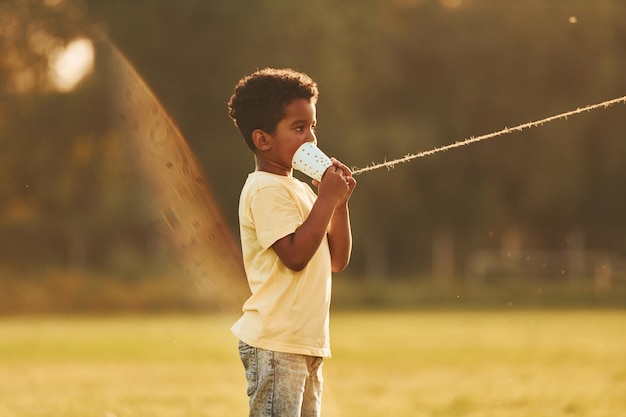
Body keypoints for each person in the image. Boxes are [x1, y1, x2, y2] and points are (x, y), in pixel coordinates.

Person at [227, 67, 356, 417]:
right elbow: (295, 256)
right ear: (263, 140)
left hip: (305, 343)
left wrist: (339, 205)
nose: (311, 139)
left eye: (313, 127)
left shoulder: (299, 188)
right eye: (299, 129)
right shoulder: (264, 189)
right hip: (275, 345)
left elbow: (336, 259)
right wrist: (326, 200)